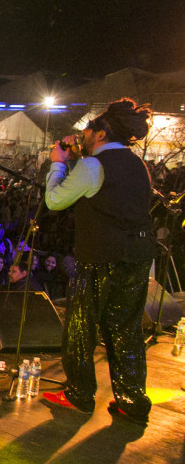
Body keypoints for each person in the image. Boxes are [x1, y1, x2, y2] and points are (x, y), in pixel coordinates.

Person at [41, 98, 154, 426]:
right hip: (137, 256)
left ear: (101, 134)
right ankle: (132, 401)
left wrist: (58, 164)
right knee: (126, 329)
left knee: (80, 325)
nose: (85, 135)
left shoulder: (93, 167)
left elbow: (55, 200)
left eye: (89, 130)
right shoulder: (138, 165)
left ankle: (78, 393)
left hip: (100, 256)